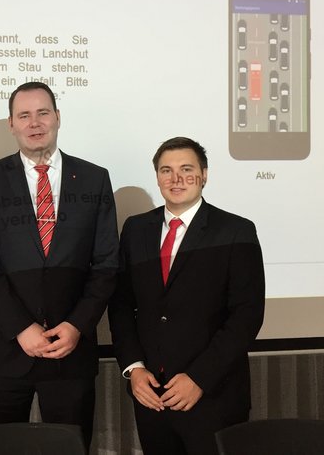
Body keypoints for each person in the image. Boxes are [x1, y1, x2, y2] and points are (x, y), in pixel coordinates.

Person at [0, 81, 119, 447]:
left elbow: (107, 263)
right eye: (24, 115)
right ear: (11, 124)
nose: (34, 123)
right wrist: (21, 328)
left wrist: (77, 326)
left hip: (70, 352)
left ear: (58, 118)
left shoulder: (95, 179)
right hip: (4, 351)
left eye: (42, 113)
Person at [108, 137, 265, 455]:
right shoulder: (136, 229)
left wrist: (199, 378)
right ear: (157, 177)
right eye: (166, 170)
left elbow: (246, 316)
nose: (175, 178)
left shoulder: (236, 231)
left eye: (186, 169)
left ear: (204, 175)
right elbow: (121, 305)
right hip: (152, 396)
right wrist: (134, 369)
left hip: (212, 396)